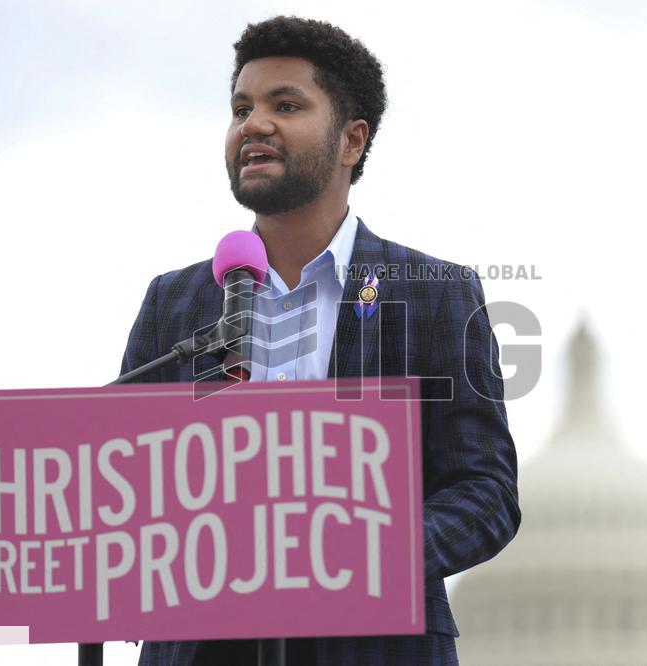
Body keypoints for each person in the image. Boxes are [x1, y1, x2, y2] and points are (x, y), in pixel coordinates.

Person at [121, 16, 520, 665]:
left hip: (375, 643)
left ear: (351, 141)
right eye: (240, 108)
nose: (253, 124)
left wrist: (361, 553)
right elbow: (124, 484)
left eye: (285, 105)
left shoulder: (434, 294)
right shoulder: (174, 302)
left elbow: (485, 495)